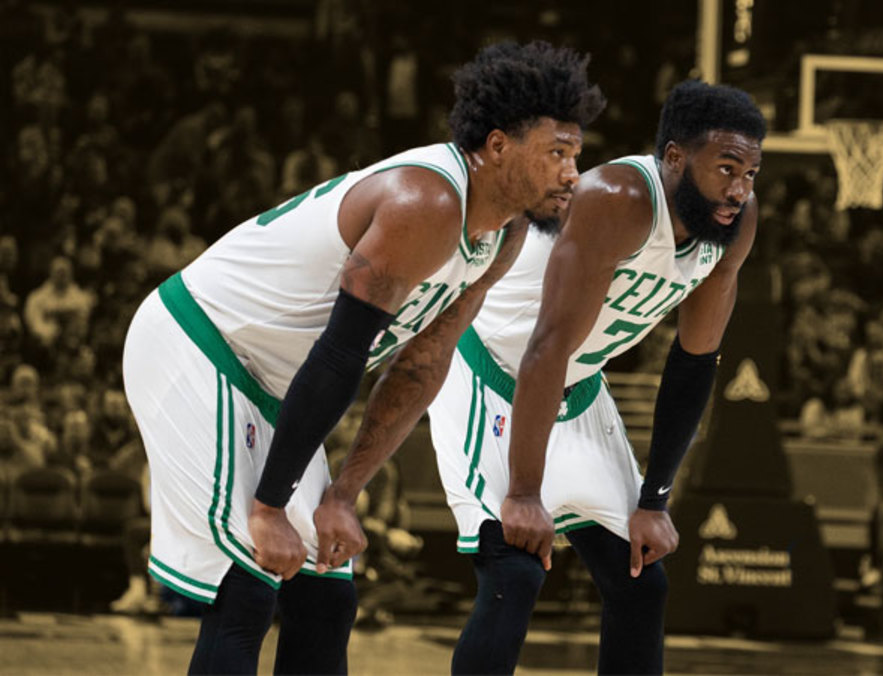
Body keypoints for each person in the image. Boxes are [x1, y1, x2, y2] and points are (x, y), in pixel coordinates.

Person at [122, 41, 604, 674]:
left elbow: (421, 364)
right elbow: (343, 352)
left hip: (274, 382)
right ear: (497, 147)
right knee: (247, 588)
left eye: (576, 154)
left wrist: (343, 495)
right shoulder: (424, 203)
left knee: (327, 597)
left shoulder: (504, 234)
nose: (573, 174)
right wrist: (269, 507)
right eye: (557, 154)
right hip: (201, 344)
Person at [426, 79, 765, 673]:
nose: (738, 191)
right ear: (676, 159)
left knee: (641, 580)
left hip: (576, 388)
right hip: (493, 372)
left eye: (751, 174)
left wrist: (654, 500)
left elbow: (693, 362)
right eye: (727, 169)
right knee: (514, 570)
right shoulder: (617, 198)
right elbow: (546, 346)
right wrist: (526, 494)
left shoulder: (732, 225)